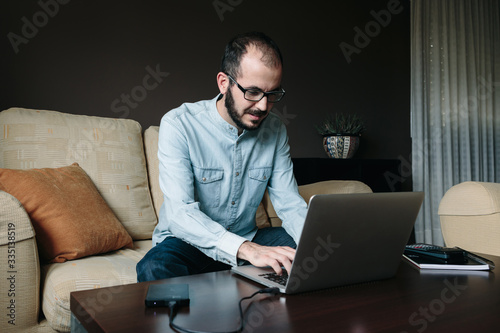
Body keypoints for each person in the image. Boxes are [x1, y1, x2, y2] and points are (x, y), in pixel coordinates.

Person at [136, 31, 308, 282]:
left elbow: (291, 204)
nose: (262, 106)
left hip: (248, 237)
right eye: (252, 92)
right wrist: (246, 249)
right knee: (154, 267)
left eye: (272, 95)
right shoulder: (179, 124)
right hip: (189, 243)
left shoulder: (275, 129)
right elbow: (180, 213)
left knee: (309, 253)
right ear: (223, 83)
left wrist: (316, 247)